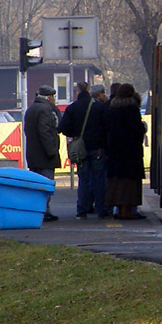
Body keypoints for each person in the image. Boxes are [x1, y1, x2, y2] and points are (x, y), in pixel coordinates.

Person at [59, 82, 110, 219]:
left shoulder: (72, 108)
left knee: (83, 179)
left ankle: (82, 210)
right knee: (99, 179)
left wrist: (76, 135)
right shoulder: (99, 106)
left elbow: (63, 128)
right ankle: (101, 209)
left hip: (80, 149)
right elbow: (107, 127)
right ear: (88, 91)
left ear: (77, 92)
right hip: (98, 147)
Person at [106, 83, 146, 220]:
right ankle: (128, 210)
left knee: (117, 183)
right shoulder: (132, 109)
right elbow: (137, 130)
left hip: (115, 153)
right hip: (130, 153)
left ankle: (119, 209)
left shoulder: (112, 108)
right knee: (130, 183)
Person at [24, 85, 62, 221]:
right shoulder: (45, 110)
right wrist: (52, 151)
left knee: (35, 184)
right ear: (49, 97)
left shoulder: (31, 109)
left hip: (33, 154)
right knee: (46, 184)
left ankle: (36, 209)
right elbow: (45, 132)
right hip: (44, 155)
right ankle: (44, 211)